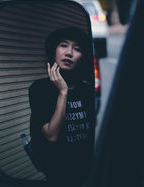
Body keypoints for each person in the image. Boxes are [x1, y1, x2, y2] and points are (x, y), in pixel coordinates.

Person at [28, 27, 95, 186]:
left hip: (88, 171)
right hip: (57, 174)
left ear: (82, 57)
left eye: (77, 49)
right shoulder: (39, 89)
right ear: (53, 51)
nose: (69, 53)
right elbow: (52, 135)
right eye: (64, 45)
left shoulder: (88, 91)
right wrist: (63, 92)